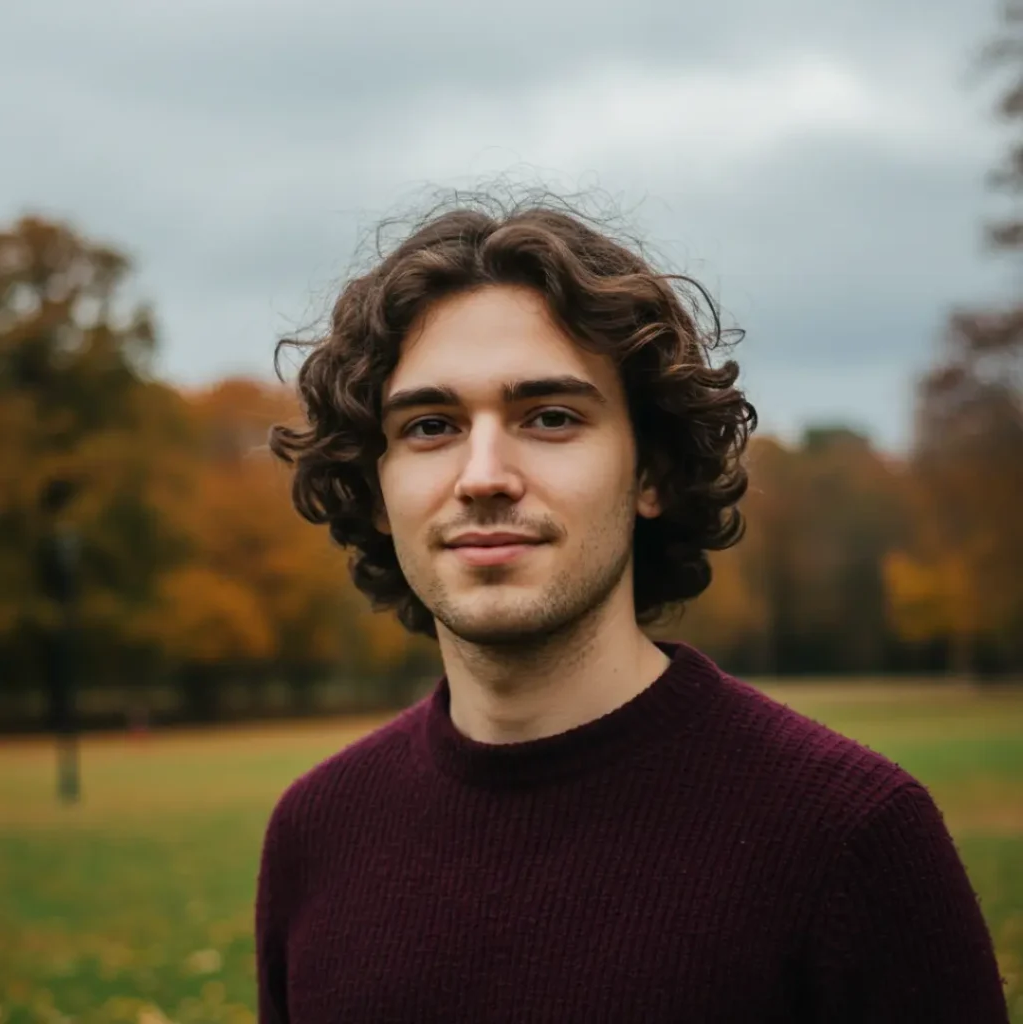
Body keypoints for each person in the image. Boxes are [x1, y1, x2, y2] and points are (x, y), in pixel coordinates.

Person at [257, 196, 1009, 1023]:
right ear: (374, 487)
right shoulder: (316, 835)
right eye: (431, 425)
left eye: (549, 417)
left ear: (649, 472)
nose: (483, 475)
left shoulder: (848, 837)